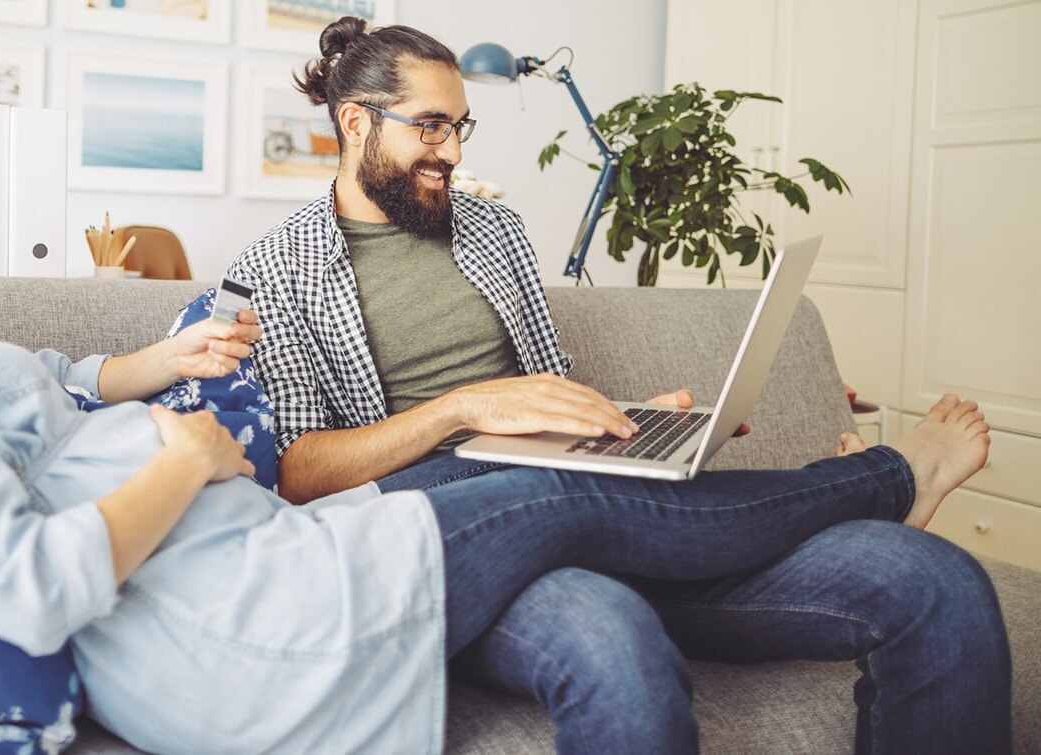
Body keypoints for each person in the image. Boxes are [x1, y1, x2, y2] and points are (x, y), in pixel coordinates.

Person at [224, 17, 1011, 754]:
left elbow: (545, 389)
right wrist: (463, 407)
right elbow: (297, 471)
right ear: (356, 122)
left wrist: (622, 420)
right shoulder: (274, 272)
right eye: (429, 126)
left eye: (460, 126)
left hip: (584, 494)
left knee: (936, 580)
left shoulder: (495, 232)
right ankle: (878, 478)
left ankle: (808, 485)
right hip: (453, 530)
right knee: (613, 636)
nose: (453, 152)